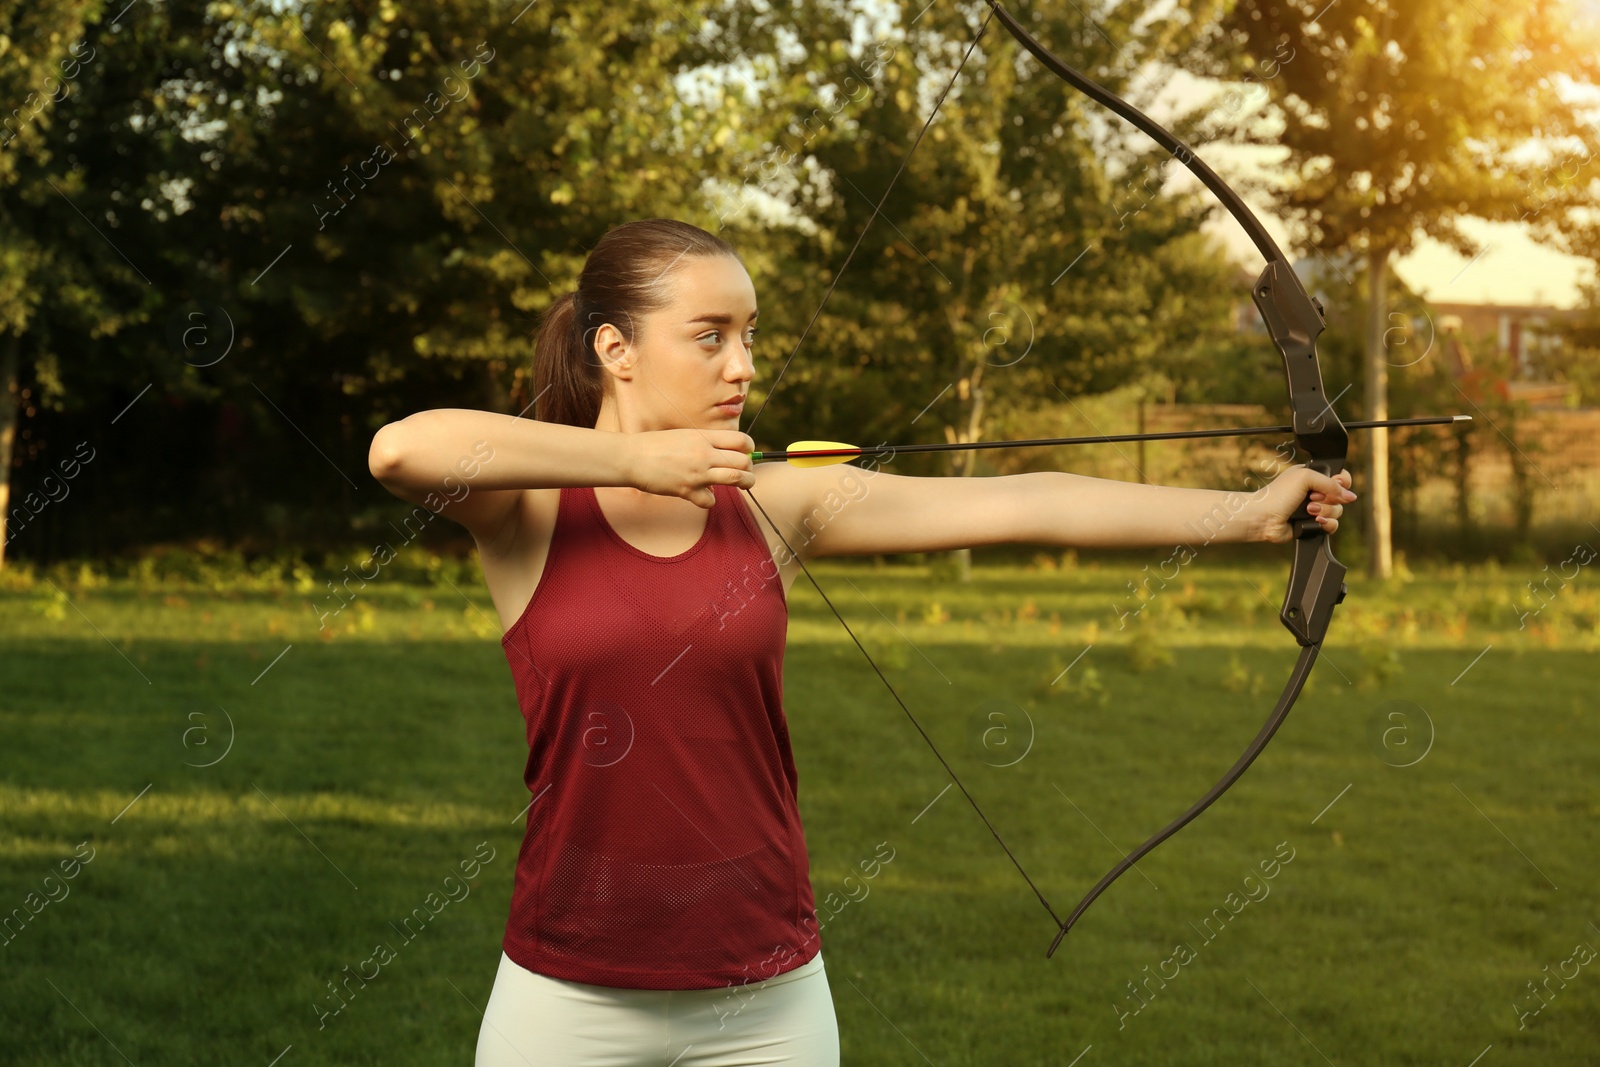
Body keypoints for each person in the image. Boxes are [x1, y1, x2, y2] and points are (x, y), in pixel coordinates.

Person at [366, 218, 1355, 1066]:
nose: (742, 365)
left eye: (748, 336)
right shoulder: (527, 514)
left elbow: (1025, 502)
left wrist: (1244, 514)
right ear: (616, 348)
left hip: (761, 996)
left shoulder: (772, 504)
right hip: (565, 990)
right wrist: (628, 456)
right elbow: (401, 448)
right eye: (708, 336)